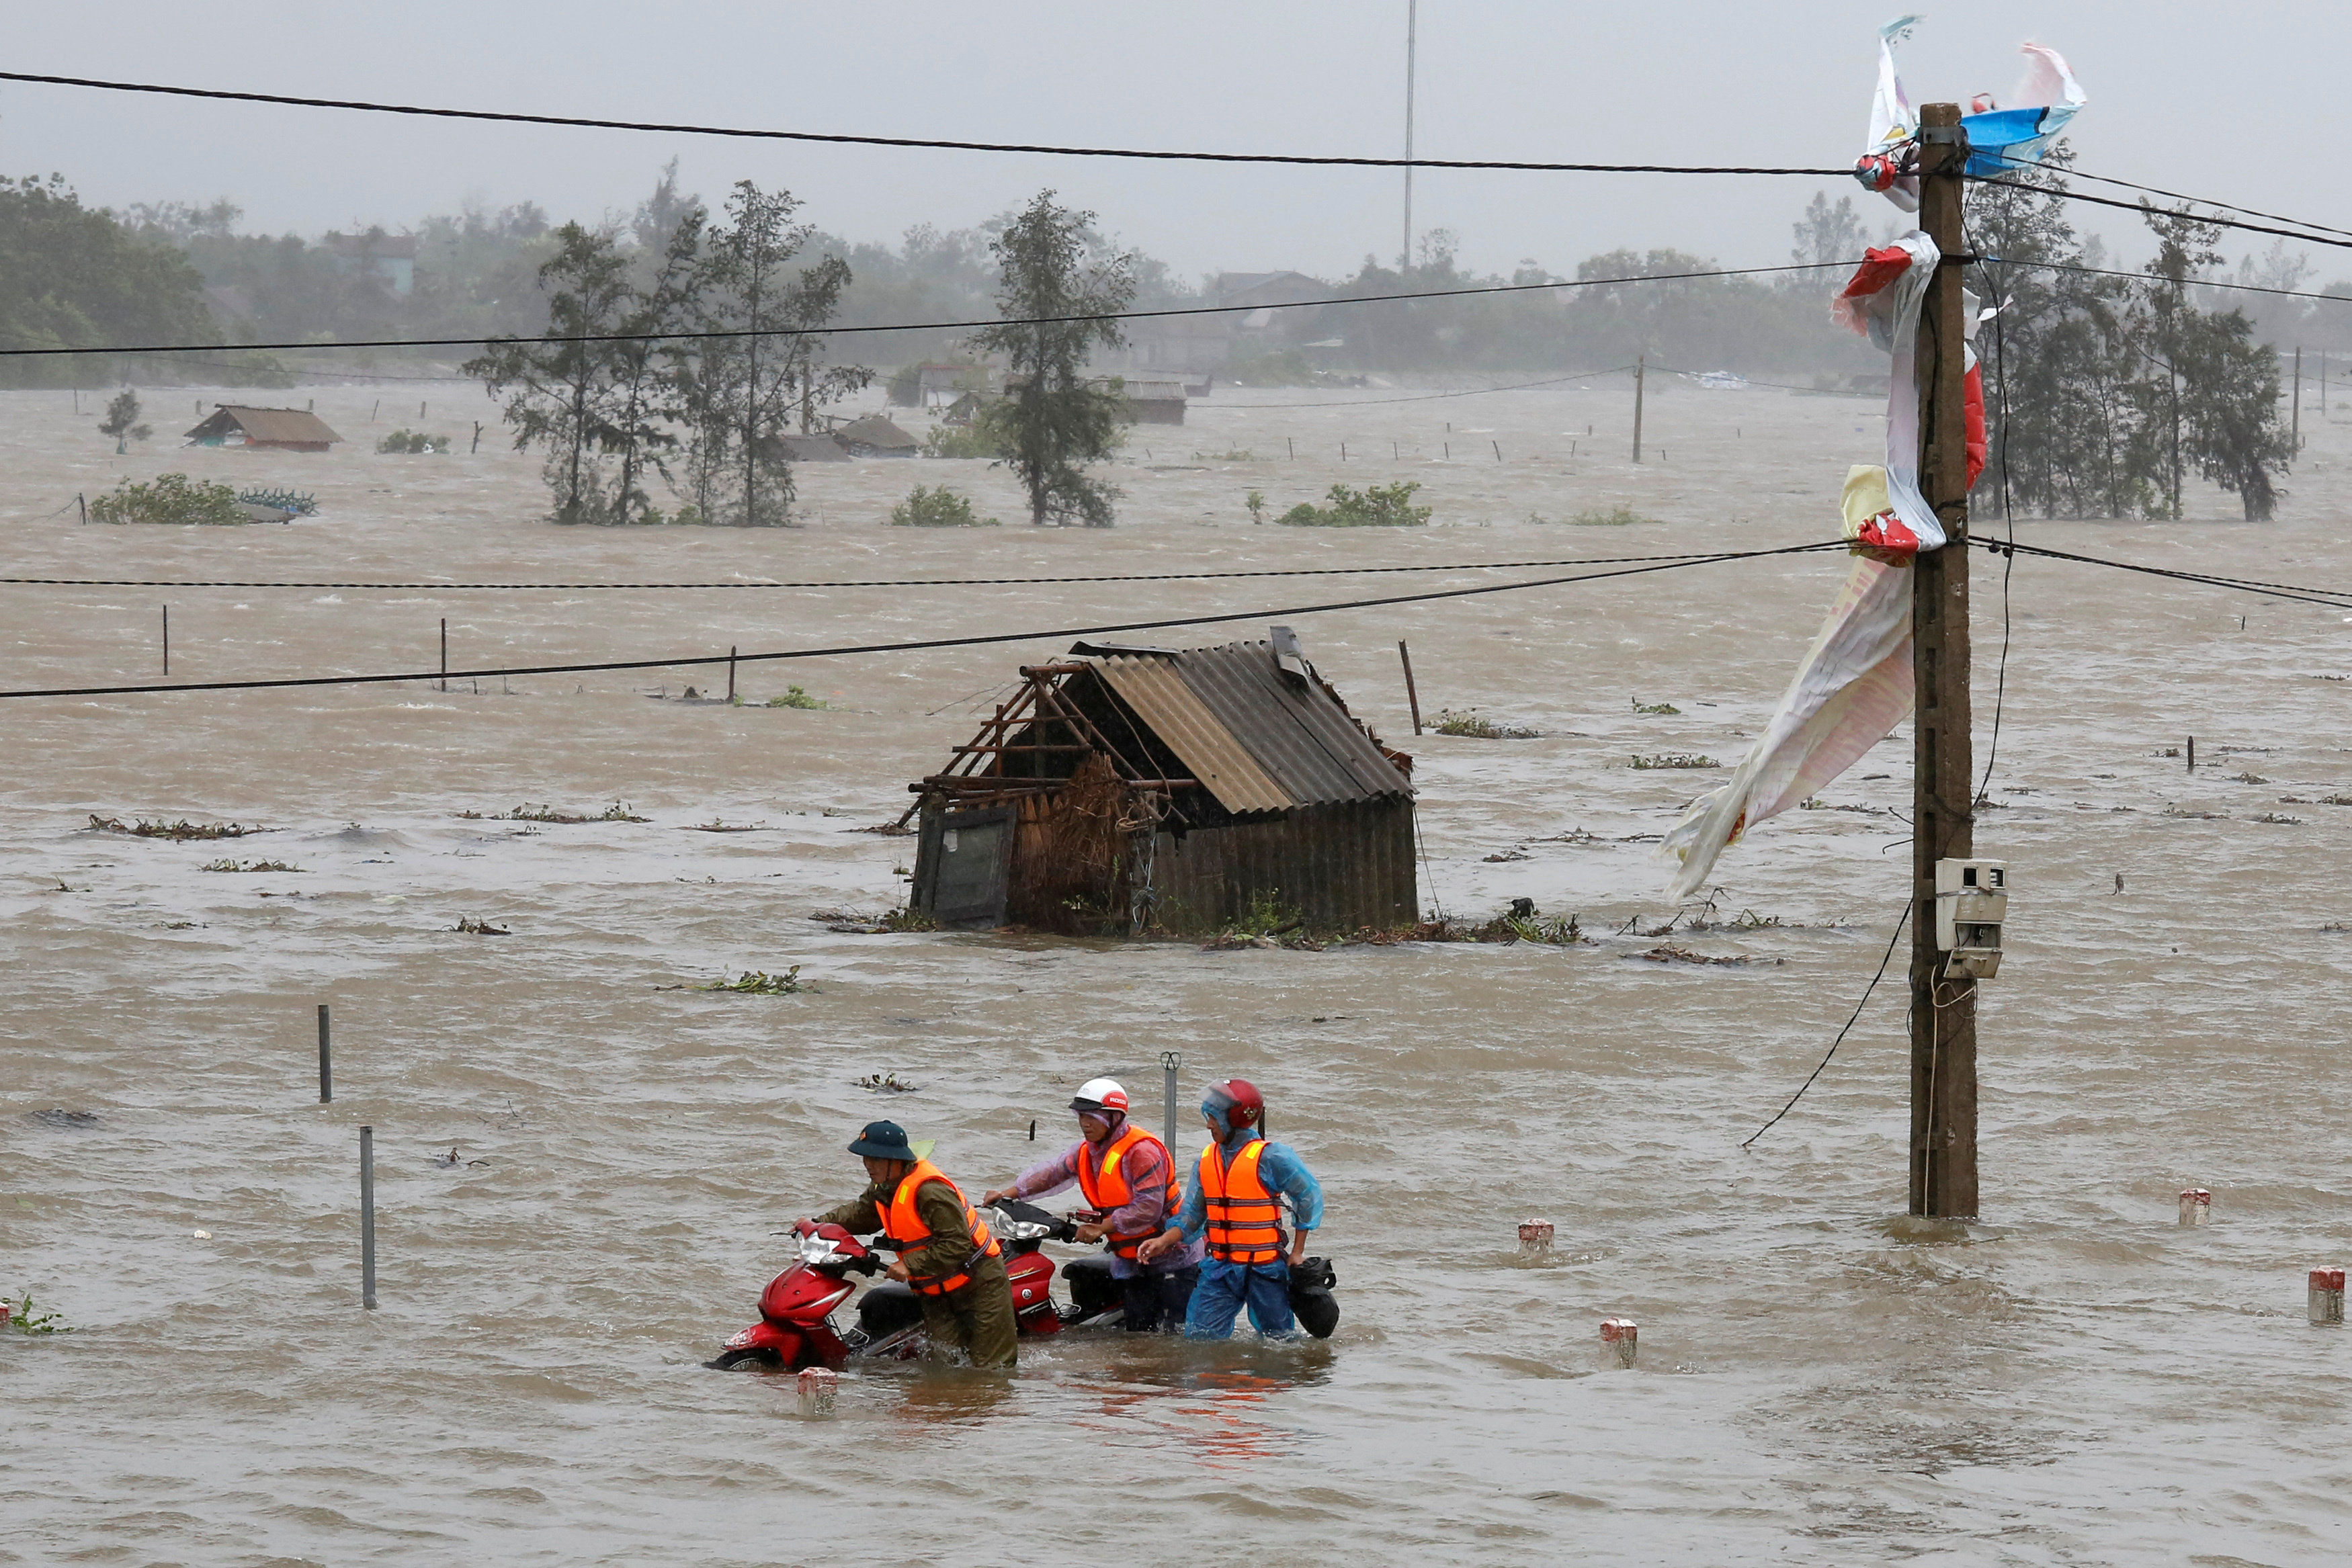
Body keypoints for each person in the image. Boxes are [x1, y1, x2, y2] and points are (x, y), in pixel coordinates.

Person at [982, 1078, 1202, 1332]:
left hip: (1172, 1257)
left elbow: (1147, 1208)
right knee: (1139, 1340)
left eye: (1093, 1117)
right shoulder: (1087, 1151)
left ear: (1114, 1117)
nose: (1085, 1123)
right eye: (1081, 1116)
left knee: (1172, 1339)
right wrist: (1008, 1193)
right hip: (1132, 1259)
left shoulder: (1142, 1152)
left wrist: (1102, 1228)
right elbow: (1052, 1174)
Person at [805, 1119, 1017, 1369]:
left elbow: (957, 1244)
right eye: (865, 1158)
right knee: (943, 1368)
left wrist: (909, 1265)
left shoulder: (930, 1191)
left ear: (896, 1160)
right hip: (935, 1290)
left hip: (979, 1283)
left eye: (875, 1158)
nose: (868, 1165)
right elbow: (860, 1214)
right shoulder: (883, 1186)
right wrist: (816, 1225)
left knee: (991, 1369)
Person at [1136, 1079, 1322, 1340]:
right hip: (1220, 1270)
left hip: (1266, 1269)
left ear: (1235, 1118)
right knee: (1199, 1338)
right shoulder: (1206, 1161)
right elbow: (1192, 1215)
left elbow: (1308, 1196)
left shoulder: (1272, 1157)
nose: (1208, 1124)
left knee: (1279, 1342)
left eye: (1213, 1118)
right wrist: (1162, 1242)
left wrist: (1297, 1253)